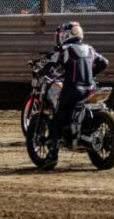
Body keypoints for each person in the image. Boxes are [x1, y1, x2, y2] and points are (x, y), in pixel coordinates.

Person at [40, 22, 109, 169]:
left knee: (56, 119)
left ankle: (52, 156)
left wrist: (42, 72)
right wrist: (92, 74)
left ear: (66, 35)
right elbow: (104, 62)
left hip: (73, 90)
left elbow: (51, 64)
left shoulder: (66, 49)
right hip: (91, 89)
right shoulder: (89, 49)